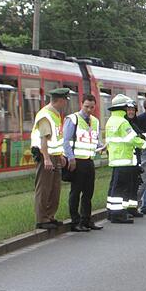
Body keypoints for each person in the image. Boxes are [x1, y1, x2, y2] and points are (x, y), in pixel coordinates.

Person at [105, 94, 146, 224]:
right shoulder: (122, 122)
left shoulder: (111, 120)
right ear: (122, 107)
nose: (128, 110)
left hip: (116, 158)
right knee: (121, 188)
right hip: (124, 159)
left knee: (115, 187)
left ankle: (111, 212)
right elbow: (132, 139)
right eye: (127, 107)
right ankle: (117, 215)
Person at [62, 93, 104, 232]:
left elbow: (94, 139)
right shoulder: (73, 119)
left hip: (89, 160)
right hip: (77, 161)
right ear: (81, 104)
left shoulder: (95, 121)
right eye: (86, 107)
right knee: (76, 192)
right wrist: (70, 158)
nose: (89, 110)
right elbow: (66, 141)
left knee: (88, 192)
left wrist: (102, 146)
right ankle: (75, 221)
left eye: (92, 107)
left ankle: (86, 220)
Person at [30, 88, 70, 230]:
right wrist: (46, 158)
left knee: (54, 188)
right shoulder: (45, 115)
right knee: (44, 187)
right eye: (65, 100)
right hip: (45, 156)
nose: (66, 103)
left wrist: (60, 155)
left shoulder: (56, 114)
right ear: (60, 100)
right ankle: (42, 219)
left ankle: (50, 216)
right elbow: (44, 139)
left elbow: (55, 139)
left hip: (55, 156)